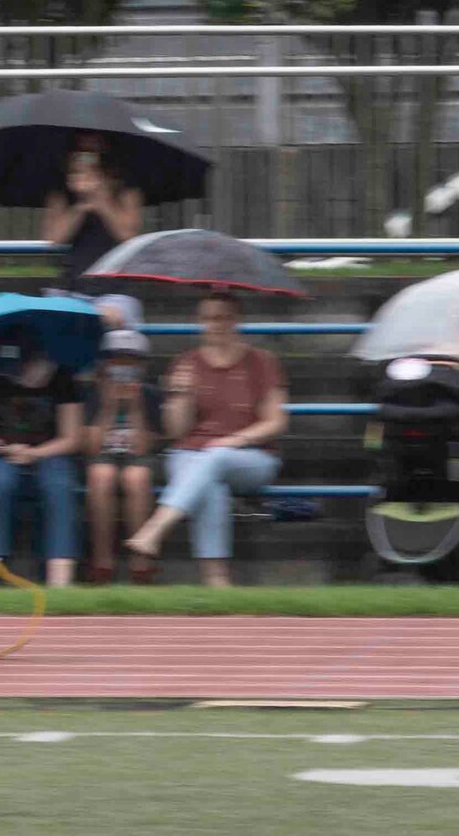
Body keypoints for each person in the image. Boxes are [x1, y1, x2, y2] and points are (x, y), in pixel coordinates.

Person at [124, 290, 289, 587]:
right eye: (210, 318)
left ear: (236, 320)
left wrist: (235, 440)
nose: (217, 324)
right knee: (211, 484)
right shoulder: (185, 364)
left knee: (214, 458)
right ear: (200, 321)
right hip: (190, 455)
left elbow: (275, 422)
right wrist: (180, 395)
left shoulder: (261, 362)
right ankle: (215, 579)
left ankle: (156, 527)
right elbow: (175, 431)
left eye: (224, 317)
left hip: (251, 456)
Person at [0, 368, 84, 589]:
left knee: (60, 485)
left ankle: (59, 577)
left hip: (50, 453)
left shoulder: (63, 377)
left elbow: (72, 439)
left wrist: (34, 453)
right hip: (3, 452)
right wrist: (2, 448)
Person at [84, 329, 162, 584]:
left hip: (136, 457)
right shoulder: (94, 393)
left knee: (136, 478)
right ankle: (102, 560)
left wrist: (135, 405)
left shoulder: (149, 394)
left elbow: (144, 447)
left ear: (141, 365)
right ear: (105, 363)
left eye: (130, 360)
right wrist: (109, 406)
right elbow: (93, 446)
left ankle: (141, 561)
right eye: (117, 360)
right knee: (101, 475)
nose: (123, 366)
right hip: (103, 456)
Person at [43, 140, 143, 293]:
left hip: (114, 283)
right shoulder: (62, 194)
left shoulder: (126, 191)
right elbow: (54, 238)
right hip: (72, 280)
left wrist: (102, 202)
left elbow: (128, 235)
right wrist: (80, 206)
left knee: (111, 315)